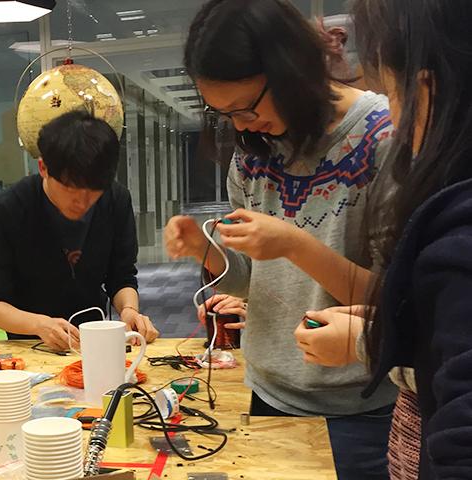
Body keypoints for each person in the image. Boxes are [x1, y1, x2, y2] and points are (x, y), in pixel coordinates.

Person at [163, 0, 398, 478]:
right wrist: (206, 250)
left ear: (290, 70)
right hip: (268, 394)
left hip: (359, 413)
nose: (240, 124)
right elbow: (254, 281)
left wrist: (293, 243)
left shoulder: (382, 137)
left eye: (245, 107)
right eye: (222, 113)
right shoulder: (254, 152)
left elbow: (397, 302)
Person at [296, 1, 472, 478]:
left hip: (361, 411)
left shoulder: (456, 240)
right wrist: (391, 327)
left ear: (428, 91)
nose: (392, 121)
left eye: (390, 94)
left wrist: (369, 343)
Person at [0, 110, 159, 352]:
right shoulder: (4, 211)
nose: (82, 203)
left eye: (94, 191)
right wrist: (39, 324)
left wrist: (129, 310)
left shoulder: (116, 199)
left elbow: (121, 276)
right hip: (31, 343)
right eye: (71, 189)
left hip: (93, 338)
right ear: (43, 168)